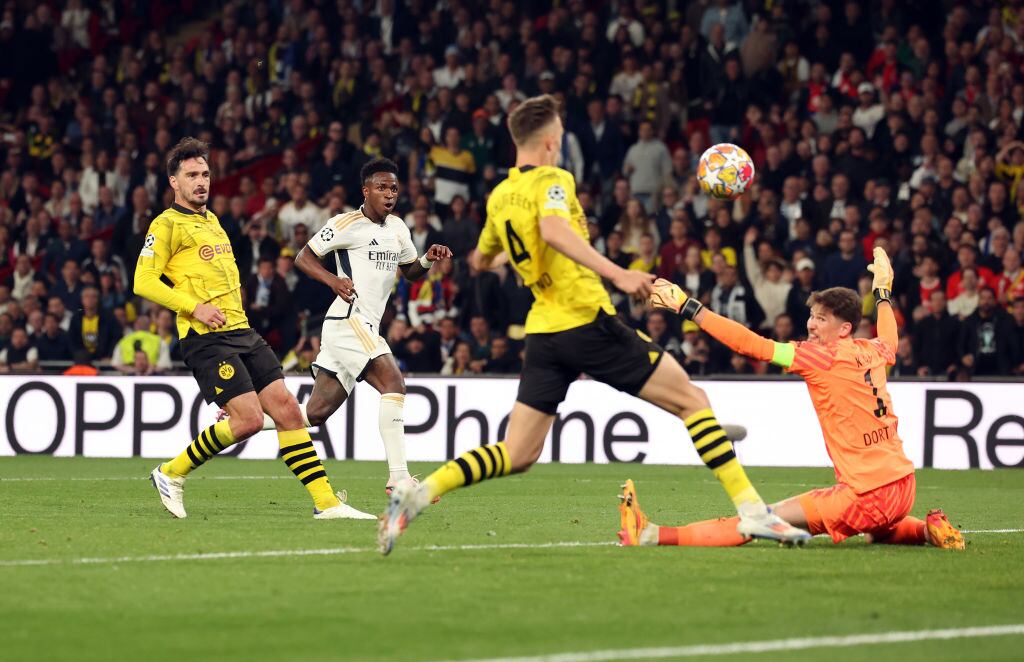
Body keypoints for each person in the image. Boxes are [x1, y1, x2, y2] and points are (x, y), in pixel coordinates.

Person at [379, 95, 809, 554]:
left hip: (543, 332)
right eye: (560, 139)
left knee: (518, 453)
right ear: (548, 141)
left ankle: (418, 493)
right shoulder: (553, 179)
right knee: (693, 400)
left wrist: (515, 248)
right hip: (585, 319)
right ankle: (755, 512)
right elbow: (553, 231)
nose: (561, 146)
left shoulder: (500, 196)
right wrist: (619, 274)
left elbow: (481, 259)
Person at [618, 248, 964, 551]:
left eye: (821, 319)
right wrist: (883, 290)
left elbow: (750, 345)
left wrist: (687, 305)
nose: (811, 326)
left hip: (866, 494)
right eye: (811, 316)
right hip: (904, 486)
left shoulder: (821, 357)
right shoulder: (874, 349)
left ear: (844, 329)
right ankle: (926, 528)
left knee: (762, 519)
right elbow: (889, 332)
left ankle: (650, 534)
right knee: (878, 531)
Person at [134, 137, 368, 521]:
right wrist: (195, 307)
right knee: (249, 421)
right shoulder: (166, 224)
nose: (201, 182)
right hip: (205, 338)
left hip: (241, 332)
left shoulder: (212, 220)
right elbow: (143, 281)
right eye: (191, 175)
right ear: (174, 182)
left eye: (205, 174)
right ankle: (171, 472)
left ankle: (327, 502)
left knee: (289, 411)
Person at [243, 157, 453, 497]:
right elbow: (304, 257)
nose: (390, 194)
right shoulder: (345, 223)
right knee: (394, 383)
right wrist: (333, 281)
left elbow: (410, 270)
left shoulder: (398, 228)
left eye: (394, 189)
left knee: (315, 414)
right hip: (348, 320)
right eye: (382, 187)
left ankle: (245, 418)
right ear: (366, 191)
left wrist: (428, 258)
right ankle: (399, 479)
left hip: (361, 325)